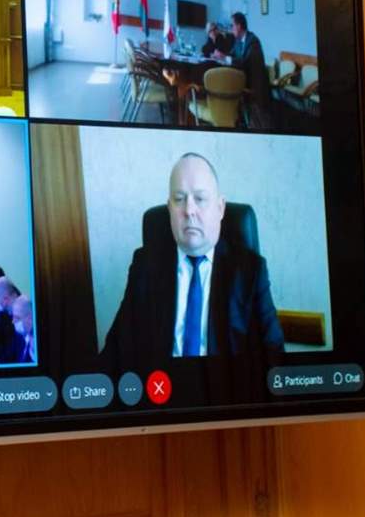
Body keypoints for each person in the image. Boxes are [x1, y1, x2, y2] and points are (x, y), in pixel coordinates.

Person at [99, 153, 283, 371]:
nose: (189, 211)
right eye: (179, 199)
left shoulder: (250, 270)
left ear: (220, 208)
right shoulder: (145, 266)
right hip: (162, 387)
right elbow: (114, 353)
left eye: (200, 199)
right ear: (169, 209)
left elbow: (274, 357)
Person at [228, 12, 270, 121]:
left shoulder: (253, 41)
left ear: (239, 26)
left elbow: (245, 62)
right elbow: (231, 55)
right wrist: (221, 56)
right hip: (244, 80)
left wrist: (226, 59)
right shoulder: (238, 41)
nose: (231, 29)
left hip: (256, 85)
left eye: (232, 26)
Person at [0, 295, 36, 363]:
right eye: (13, 317)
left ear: (30, 319)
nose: (13, 322)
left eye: (17, 318)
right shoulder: (19, 338)